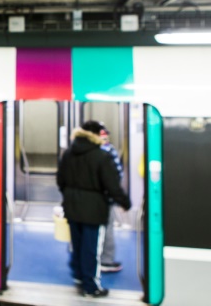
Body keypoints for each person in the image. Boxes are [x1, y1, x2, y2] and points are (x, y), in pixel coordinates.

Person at [57, 121, 131, 298]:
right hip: (94, 210)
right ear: (96, 135)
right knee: (92, 249)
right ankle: (91, 287)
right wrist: (125, 202)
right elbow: (112, 185)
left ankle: (79, 277)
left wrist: (70, 196)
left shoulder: (68, 154)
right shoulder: (101, 156)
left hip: (72, 207)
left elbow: (61, 181)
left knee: (77, 244)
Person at [81, 120, 124, 273]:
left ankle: (86, 260)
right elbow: (115, 178)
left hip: (88, 199)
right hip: (101, 199)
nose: (105, 139)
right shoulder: (107, 152)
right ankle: (105, 260)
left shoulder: (84, 152)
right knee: (105, 229)